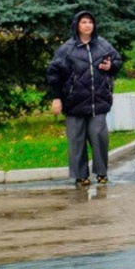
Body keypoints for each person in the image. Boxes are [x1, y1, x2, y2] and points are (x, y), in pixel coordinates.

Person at [46, 10, 124, 187]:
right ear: (77, 26)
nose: (88, 25)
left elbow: (118, 62)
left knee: (99, 136)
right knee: (76, 139)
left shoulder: (103, 45)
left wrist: (111, 66)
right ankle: (81, 175)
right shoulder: (67, 49)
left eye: (90, 22)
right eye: (84, 22)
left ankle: (101, 172)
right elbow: (54, 73)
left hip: (98, 101)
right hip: (74, 102)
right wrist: (57, 98)